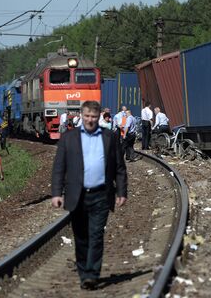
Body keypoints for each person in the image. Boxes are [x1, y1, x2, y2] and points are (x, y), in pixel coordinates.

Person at [51, 100, 128, 290]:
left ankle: (92, 275)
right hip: (77, 195)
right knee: (81, 236)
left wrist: (122, 191)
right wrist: (56, 193)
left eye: (94, 117)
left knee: (96, 234)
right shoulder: (69, 138)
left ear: (99, 116)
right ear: (82, 115)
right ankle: (83, 271)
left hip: (101, 194)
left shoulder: (109, 137)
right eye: (87, 116)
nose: (90, 120)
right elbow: (59, 167)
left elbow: (119, 167)